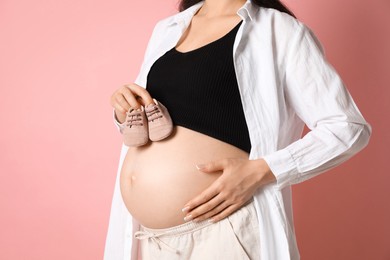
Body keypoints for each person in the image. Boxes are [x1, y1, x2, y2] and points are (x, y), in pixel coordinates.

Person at [105, 0, 372, 259]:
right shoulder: (167, 29)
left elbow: (347, 128)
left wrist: (264, 170)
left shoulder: (279, 30)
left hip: (223, 230)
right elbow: (152, 122)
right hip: (153, 242)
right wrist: (124, 109)